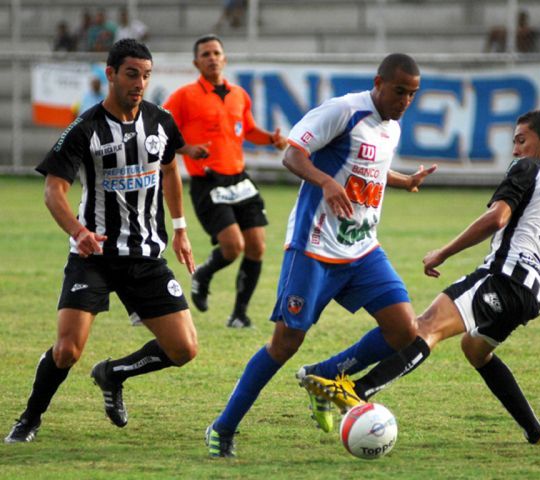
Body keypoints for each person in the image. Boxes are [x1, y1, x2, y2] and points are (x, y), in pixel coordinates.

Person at [301, 110, 540, 446]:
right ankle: (538, 432)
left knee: (426, 327)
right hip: (532, 298)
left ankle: (353, 390)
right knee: (476, 350)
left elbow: (497, 218)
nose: (515, 151)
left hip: (503, 277)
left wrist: (443, 252)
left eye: (521, 140)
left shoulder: (529, 168)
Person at [204, 53, 438, 457]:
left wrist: (404, 181)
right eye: (400, 91)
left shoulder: (391, 128)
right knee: (285, 343)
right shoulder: (343, 111)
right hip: (313, 248)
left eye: (413, 95)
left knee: (404, 330)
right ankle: (222, 428)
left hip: (363, 249)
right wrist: (326, 181)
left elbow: (372, 172)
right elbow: (292, 154)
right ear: (378, 82)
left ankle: (325, 376)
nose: (405, 101)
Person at [4, 39, 198, 444]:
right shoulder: (84, 128)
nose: (140, 83)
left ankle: (112, 374)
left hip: (145, 255)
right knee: (66, 351)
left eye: (146, 75)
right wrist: (79, 232)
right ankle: (29, 419)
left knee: (183, 349)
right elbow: (53, 191)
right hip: (93, 255)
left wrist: (180, 228)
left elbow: (170, 171)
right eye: (132, 74)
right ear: (109, 74)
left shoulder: (160, 121)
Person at [163, 34, 287, 328]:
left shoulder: (239, 95)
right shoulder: (184, 96)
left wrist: (271, 139)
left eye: (217, 52)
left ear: (225, 58)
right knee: (232, 246)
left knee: (257, 245)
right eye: (205, 54)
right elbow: (160, 128)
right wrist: (186, 149)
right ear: (196, 62)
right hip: (207, 181)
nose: (212, 57)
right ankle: (203, 275)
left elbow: (249, 130)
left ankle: (239, 315)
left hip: (239, 179)